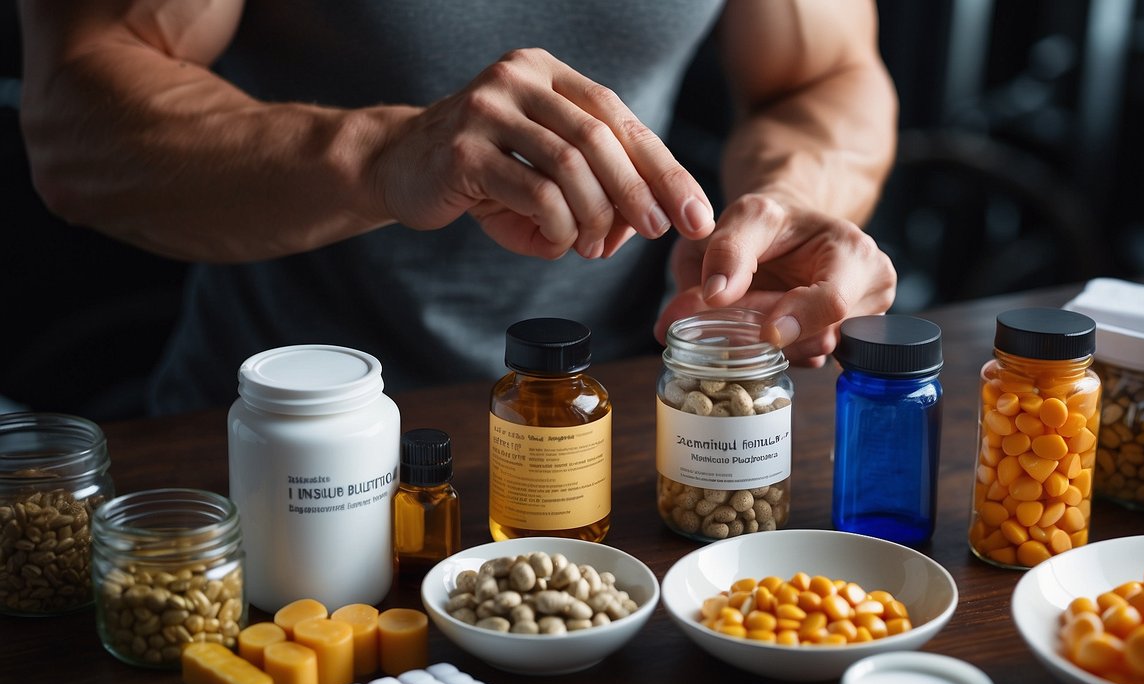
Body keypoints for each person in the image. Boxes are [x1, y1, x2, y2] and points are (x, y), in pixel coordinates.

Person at [18, 0, 898, 415]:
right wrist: (382, 156)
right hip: (291, 438)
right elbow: (73, 118)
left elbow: (821, 75)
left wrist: (788, 201)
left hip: (625, 431)